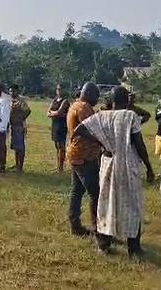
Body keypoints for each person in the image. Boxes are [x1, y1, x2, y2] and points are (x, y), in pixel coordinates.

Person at [72, 86, 153, 258]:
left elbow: (79, 130)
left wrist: (103, 141)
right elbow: (139, 143)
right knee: (132, 203)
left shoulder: (101, 116)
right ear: (127, 100)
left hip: (108, 163)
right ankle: (133, 248)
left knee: (106, 202)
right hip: (128, 163)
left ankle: (104, 244)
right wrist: (149, 166)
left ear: (112, 99)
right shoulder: (130, 115)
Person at [66, 82, 101, 237]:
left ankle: (75, 225)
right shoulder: (84, 108)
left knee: (77, 190)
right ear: (88, 94)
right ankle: (98, 229)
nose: (97, 99)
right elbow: (88, 130)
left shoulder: (75, 105)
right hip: (84, 155)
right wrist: (101, 141)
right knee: (95, 193)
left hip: (75, 154)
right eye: (96, 96)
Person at [47, 84, 70, 173]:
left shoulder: (65, 101)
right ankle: (58, 166)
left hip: (61, 125)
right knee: (56, 146)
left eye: (60, 89)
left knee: (61, 146)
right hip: (55, 124)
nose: (59, 91)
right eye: (57, 89)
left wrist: (53, 113)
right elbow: (48, 112)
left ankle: (61, 168)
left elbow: (59, 112)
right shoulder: (54, 100)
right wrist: (54, 113)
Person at [9, 84, 31, 172]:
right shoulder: (11, 100)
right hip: (13, 126)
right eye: (10, 91)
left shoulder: (21, 100)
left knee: (20, 147)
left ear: (17, 91)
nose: (11, 93)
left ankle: (20, 167)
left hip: (19, 126)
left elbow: (27, 111)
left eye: (12, 91)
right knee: (15, 146)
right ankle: (16, 164)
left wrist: (20, 118)